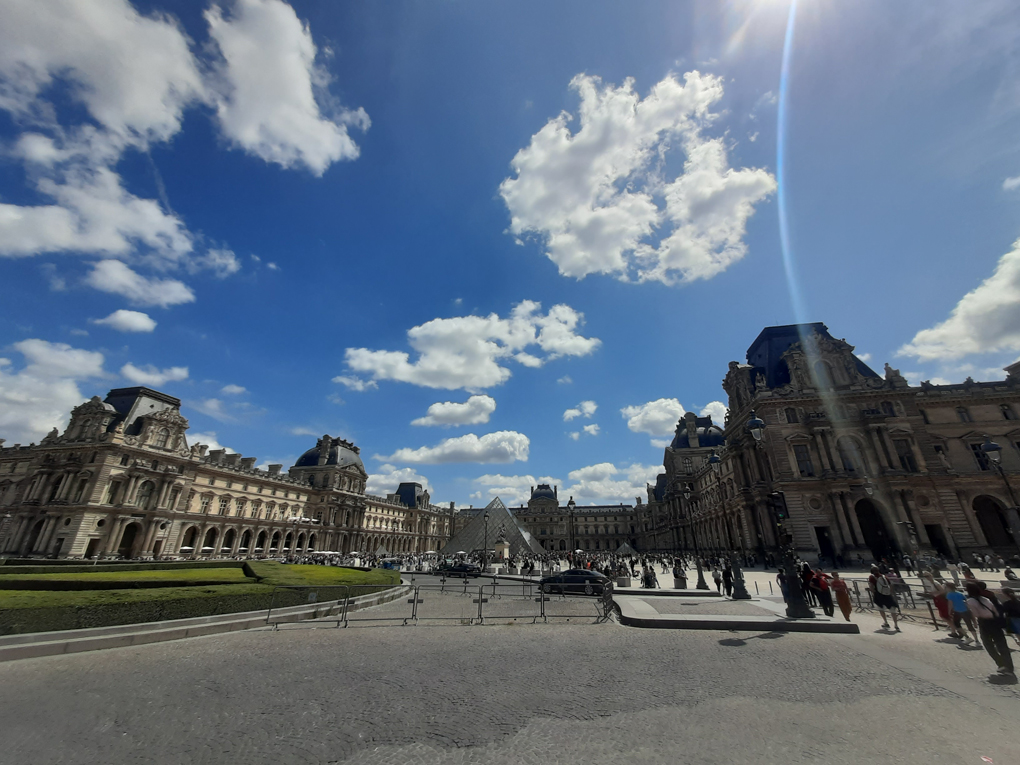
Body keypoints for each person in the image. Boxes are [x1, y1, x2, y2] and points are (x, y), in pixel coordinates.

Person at [965, 582, 1014, 676]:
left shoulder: (970, 601)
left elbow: (977, 615)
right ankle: (1009, 667)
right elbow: (995, 611)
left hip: (984, 623)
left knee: (988, 644)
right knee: (1002, 644)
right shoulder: (986, 598)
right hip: (994, 621)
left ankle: (1000, 663)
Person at [869, 565, 900, 631]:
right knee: (892, 609)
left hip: (878, 594)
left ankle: (886, 622)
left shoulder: (872, 577)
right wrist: (889, 592)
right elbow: (890, 585)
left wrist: (874, 592)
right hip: (887, 594)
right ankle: (896, 625)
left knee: (881, 608)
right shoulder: (883, 576)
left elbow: (871, 586)